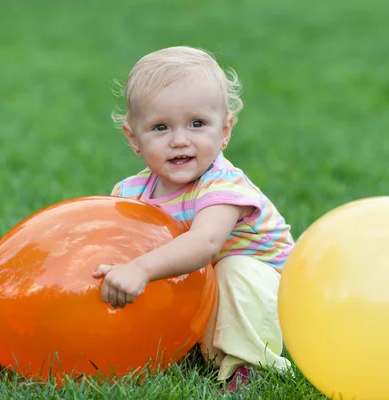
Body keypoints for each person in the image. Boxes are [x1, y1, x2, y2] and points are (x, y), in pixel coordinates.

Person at [92, 45, 295, 392]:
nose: (180, 140)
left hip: (270, 297)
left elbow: (204, 245)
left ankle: (249, 363)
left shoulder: (224, 185)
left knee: (232, 269)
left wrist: (139, 268)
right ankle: (186, 347)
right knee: (149, 264)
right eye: (160, 127)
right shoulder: (130, 192)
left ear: (225, 130)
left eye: (197, 124)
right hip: (207, 287)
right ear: (133, 138)